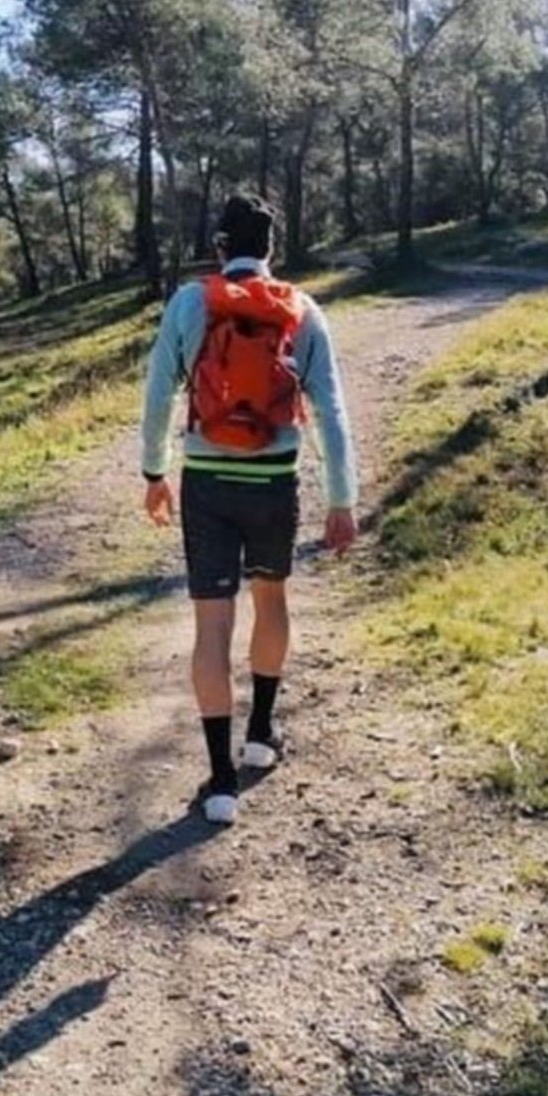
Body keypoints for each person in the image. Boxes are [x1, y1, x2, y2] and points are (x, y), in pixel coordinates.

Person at [140, 192, 358, 825]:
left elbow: (158, 392)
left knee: (212, 627)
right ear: (270, 249)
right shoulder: (301, 308)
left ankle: (220, 781)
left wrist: (155, 472)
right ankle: (260, 734)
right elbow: (332, 412)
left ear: (219, 248)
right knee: (271, 602)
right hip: (274, 482)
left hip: (207, 482)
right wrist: (341, 499)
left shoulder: (189, 303)